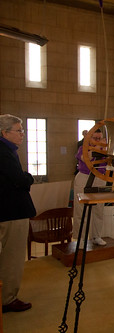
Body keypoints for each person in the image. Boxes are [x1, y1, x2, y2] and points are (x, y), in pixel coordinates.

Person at [0, 114, 35, 313]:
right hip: (11, 211)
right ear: (5, 133)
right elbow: (19, 179)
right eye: (19, 130)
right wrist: (28, 178)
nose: (22, 134)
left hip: (7, 210)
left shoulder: (7, 150)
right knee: (12, 258)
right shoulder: (3, 152)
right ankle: (7, 299)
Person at [73, 128, 107, 247]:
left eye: (100, 138)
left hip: (100, 178)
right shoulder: (82, 148)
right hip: (84, 177)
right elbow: (85, 158)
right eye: (95, 138)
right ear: (89, 138)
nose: (98, 140)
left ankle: (96, 236)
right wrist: (96, 149)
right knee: (81, 210)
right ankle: (80, 238)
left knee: (98, 210)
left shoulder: (105, 149)